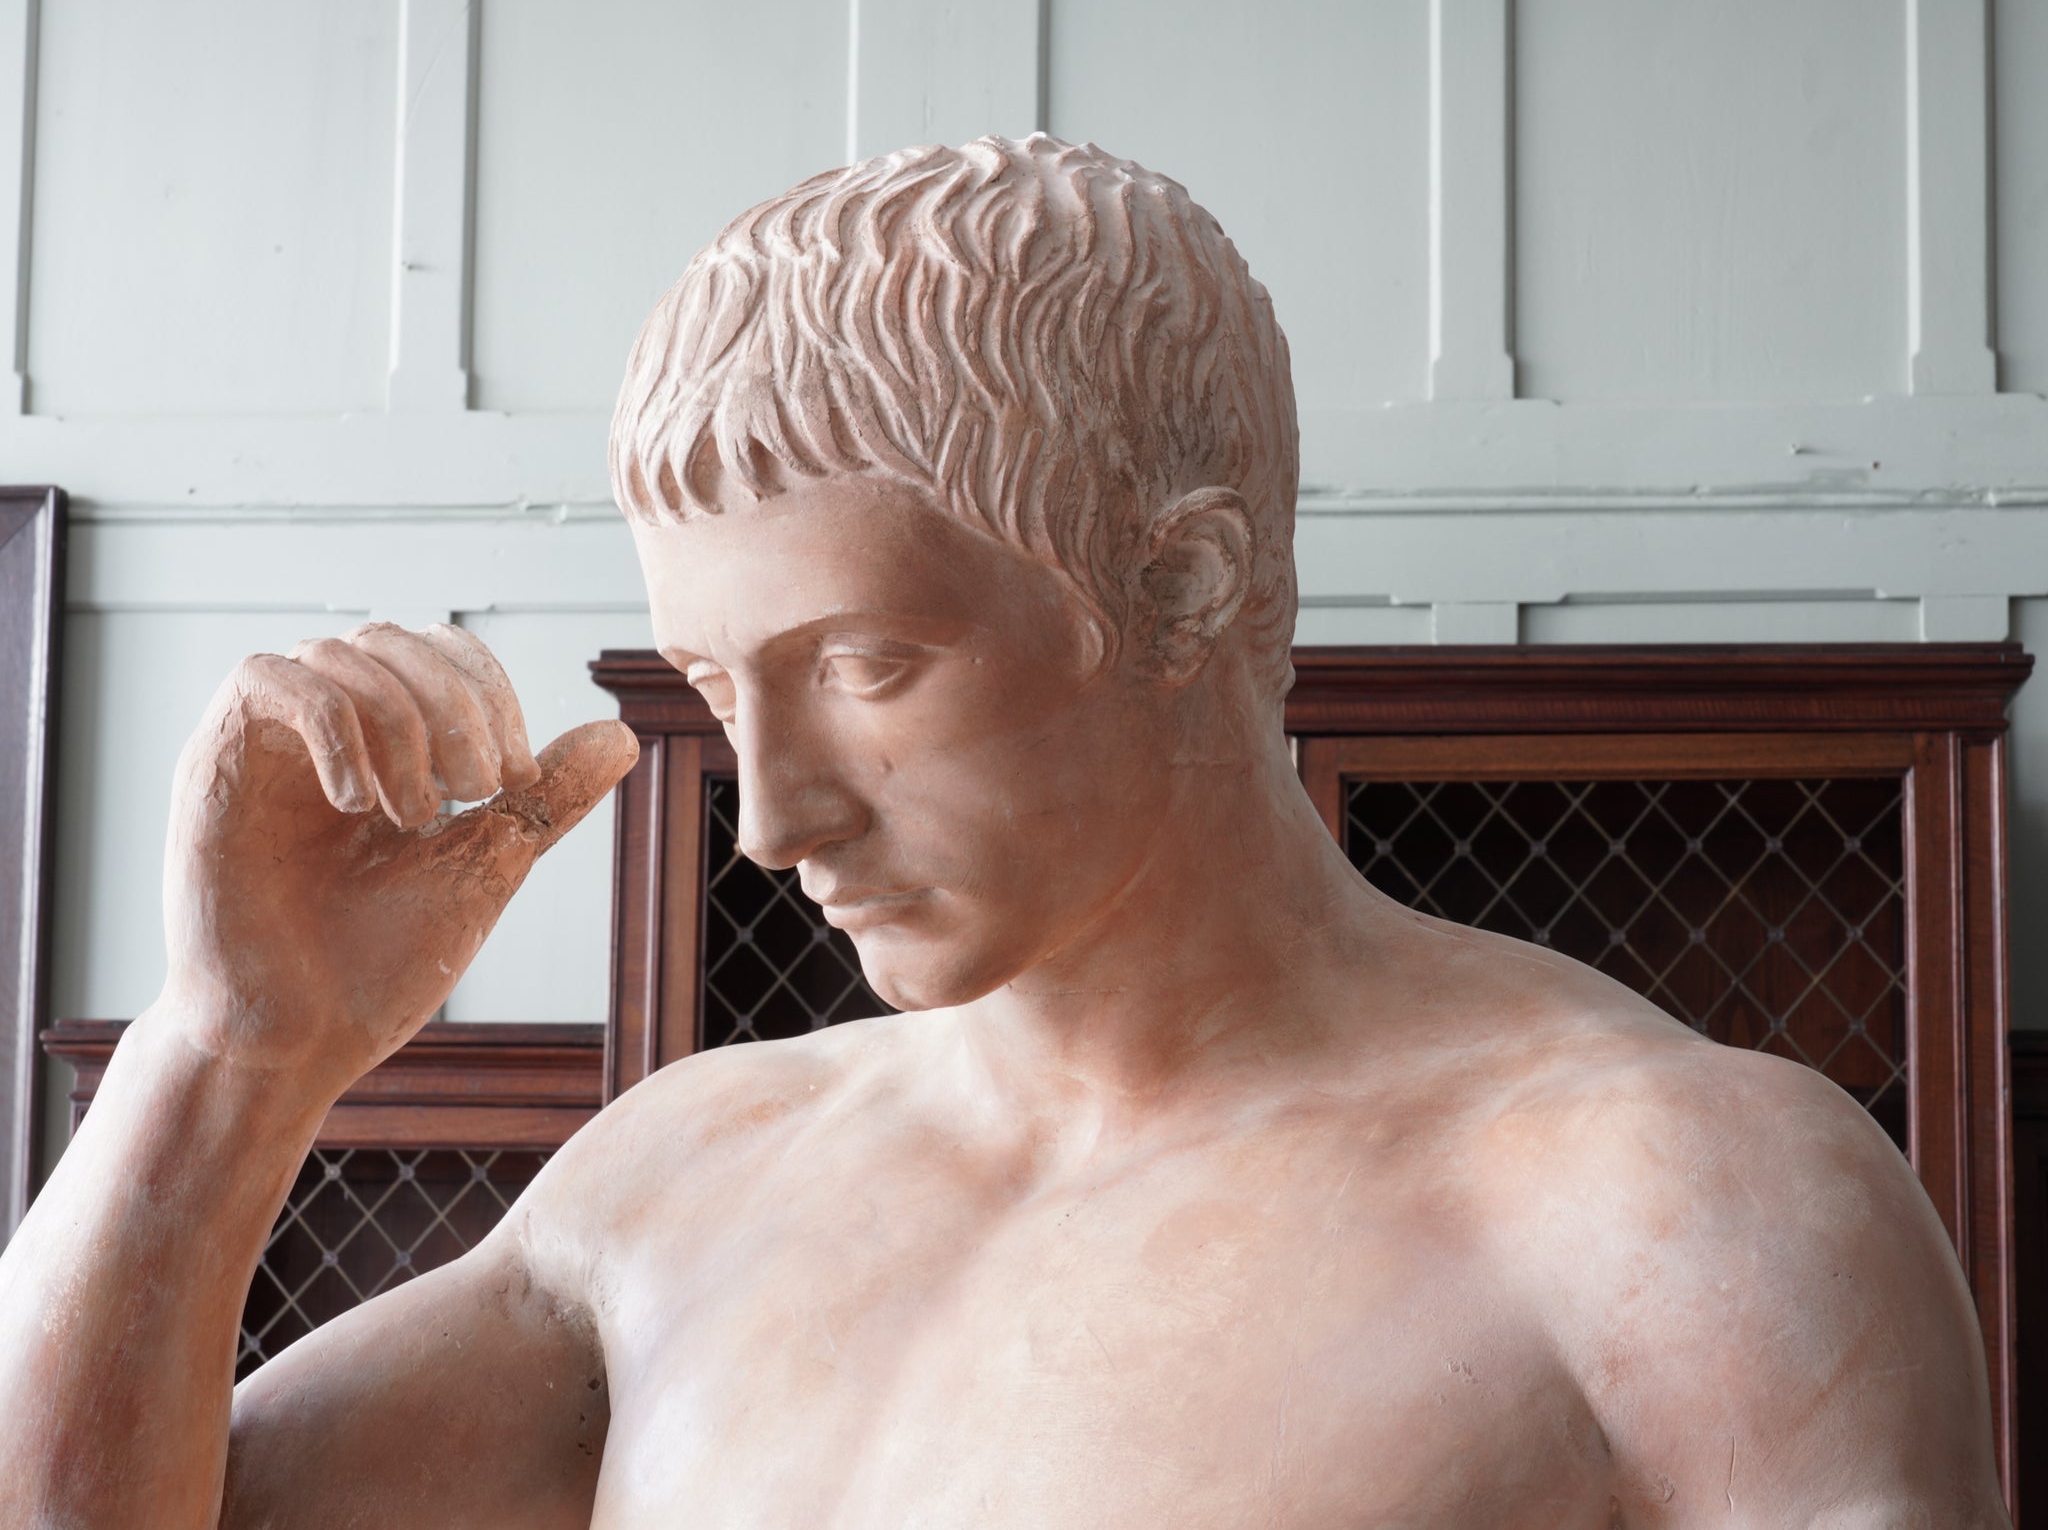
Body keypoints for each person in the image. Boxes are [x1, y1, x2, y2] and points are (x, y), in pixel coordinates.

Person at [0, 136, 2008, 1528]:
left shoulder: (1682, 1209)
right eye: (715, 688)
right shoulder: (685, 1181)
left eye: (866, 664)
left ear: (1186, 586)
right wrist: (230, 1054)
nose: (773, 818)